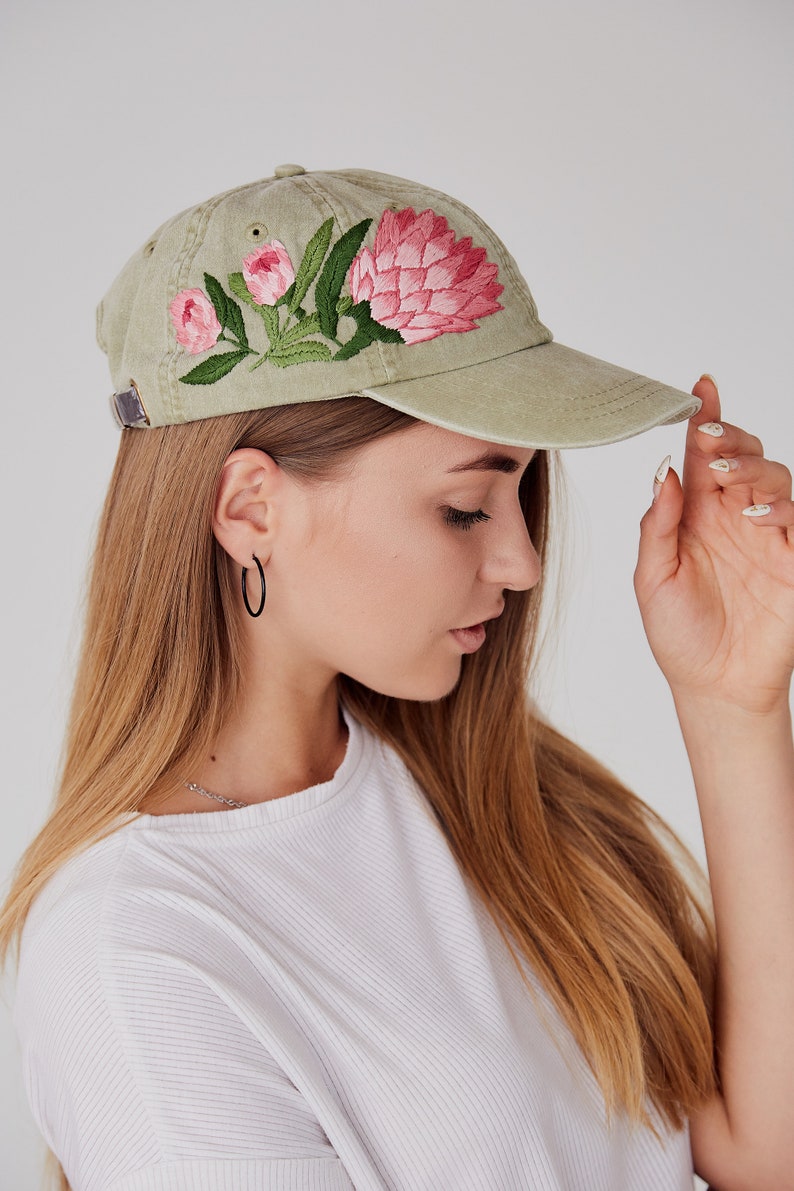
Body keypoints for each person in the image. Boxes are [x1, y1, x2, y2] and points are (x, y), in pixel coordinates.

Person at [1, 165, 792, 1191]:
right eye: (464, 508)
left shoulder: (500, 792)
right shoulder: (137, 957)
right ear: (249, 509)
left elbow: (757, 1155)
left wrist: (733, 706)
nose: (520, 563)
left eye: (520, 496)